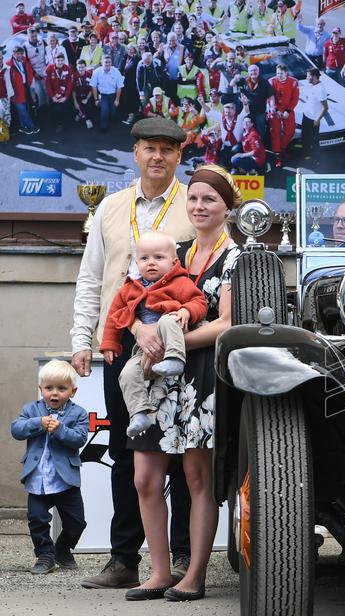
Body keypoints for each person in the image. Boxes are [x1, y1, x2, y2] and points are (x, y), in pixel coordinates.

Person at [71, 117, 196, 590]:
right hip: (120, 342)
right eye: (149, 148)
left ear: (179, 156)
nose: (157, 157)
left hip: (178, 345)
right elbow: (90, 279)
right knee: (127, 451)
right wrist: (83, 339)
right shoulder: (109, 208)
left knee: (182, 450)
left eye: (167, 149)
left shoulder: (196, 204)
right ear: (136, 153)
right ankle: (123, 559)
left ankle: (182, 557)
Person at [126, 164, 242, 601]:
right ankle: (158, 572)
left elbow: (228, 324)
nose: (198, 206)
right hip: (157, 375)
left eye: (209, 199)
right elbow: (132, 304)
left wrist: (173, 342)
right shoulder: (170, 250)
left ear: (227, 207)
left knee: (197, 478)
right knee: (145, 478)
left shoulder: (237, 258)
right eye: (193, 198)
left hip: (200, 375)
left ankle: (193, 575)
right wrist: (143, 335)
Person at [99, 233, 209, 439]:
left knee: (168, 319)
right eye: (144, 258)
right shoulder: (130, 287)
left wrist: (186, 311)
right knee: (127, 373)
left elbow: (199, 303)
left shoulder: (180, 282)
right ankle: (139, 413)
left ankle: (175, 359)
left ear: (173, 262)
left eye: (158, 258)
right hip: (145, 346)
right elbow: (115, 315)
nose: (151, 263)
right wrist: (110, 343)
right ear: (136, 262)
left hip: (174, 334)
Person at [12, 360, 89, 576]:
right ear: (41, 389)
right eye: (49, 388)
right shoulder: (31, 409)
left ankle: (62, 549)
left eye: (61, 389)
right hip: (38, 478)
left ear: (72, 391)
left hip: (65, 480)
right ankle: (45, 555)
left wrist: (60, 429)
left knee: (77, 522)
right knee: (37, 519)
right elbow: (16, 430)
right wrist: (38, 423)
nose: (54, 394)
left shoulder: (79, 413)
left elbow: (80, 438)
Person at [266, 62, 297, 168]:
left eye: (281, 73)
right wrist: (275, 110)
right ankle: (277, 155)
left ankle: (282, 148)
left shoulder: (293, 82)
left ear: (286, 73)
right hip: (275, 110)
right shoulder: (272, 81)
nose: (279, 75)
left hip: (288, 110)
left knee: (290, 131)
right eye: (277, 73)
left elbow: (295, 99)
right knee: (275, 132)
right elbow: (269, 97)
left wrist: (288, 111)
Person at [297, 67, 328, 165]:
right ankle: (306, 155)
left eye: (308, 76)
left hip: (313, 120)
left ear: (314, 76)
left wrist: (318, 120)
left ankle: (316, 159)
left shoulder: (320, 89)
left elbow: (325, 107)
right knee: (305, 137)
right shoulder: (311, 85)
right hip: (306, 116)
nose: (306, 78)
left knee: (314, 140)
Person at [7, 46, 39, 135]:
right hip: (15, 91)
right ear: (13, 54)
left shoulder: (24, 60)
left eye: (21, 54)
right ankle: (32, 126)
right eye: (18, 54)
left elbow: (29, 71)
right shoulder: (9, 65)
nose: (20, 56)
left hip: (25, 87)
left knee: (24, 109)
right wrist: (11, 93)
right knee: (22, 110)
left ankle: (22, 127)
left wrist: (30, 82)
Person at [90, 54, 124, 131]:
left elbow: (119, 87)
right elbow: (93, 86)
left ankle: (114, 117)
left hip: (113, 94)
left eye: (109, 62)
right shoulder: (96, 72)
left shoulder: (116, 71)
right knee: (105, 110)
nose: (108, 64)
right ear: (102, 63)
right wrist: (96, 99)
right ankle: (103, 127)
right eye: (106, 62)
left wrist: (117, 100)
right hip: (102, 95)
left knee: (113, 112)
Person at [44, 53, 74, 133]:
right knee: (53, 108)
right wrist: (52, 96)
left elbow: (69, 84)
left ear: (64, 60)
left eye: (62, 60)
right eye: (58, 60)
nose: (60, 62)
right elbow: (47, 84)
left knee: (61, 109)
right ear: (55, 60)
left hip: (64, 95)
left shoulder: (68, 69)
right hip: (53, 94)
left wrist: (66, 97)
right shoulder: (49, 68)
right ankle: (55, 122)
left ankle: (60, 124)